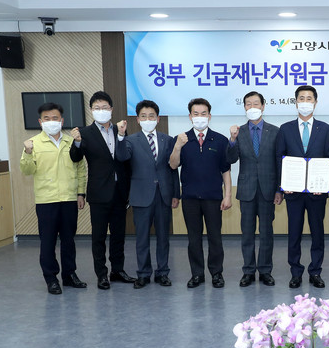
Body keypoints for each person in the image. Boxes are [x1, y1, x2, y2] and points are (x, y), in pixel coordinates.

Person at [70, 91, 135, 290]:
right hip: (98, 193)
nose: (101, 111)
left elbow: (125, 161)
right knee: (98, 237)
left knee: (118, 235)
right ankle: (101, 274)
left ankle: (117, 270)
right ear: (91, 110)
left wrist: (128, 189)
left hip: (119, 192)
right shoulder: (84, 132)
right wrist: (77, 141)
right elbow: (75, 157)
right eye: (97, 108)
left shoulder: (119, 129)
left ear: (111, 109)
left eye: (105, 107)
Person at [20, 103, 87, 294]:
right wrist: (28, 153)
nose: (51, 121)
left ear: (62, 121)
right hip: (46, 201)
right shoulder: (32, 143)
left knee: (69, 241)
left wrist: (80, 193)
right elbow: (27, 170)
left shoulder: (71, 142)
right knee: (48, 242)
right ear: (40, 122)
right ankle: (51, 278)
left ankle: (69, 275)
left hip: (69, 199)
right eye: (47, 119)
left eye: (55, 118)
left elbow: (81, 169)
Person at [116, 100, 180, 289]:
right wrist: (120, 136)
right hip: (141, 195)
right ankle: (143, 273)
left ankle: (163, 273)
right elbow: (122, 157)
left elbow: (173, 169)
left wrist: (176, 194)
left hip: (164, 195)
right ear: (137, 119)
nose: (148, 119)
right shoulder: (130, 140)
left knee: (163, 237)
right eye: (143, 116)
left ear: (158, 119)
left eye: (151, 116)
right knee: (142, 238)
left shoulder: (167, 140)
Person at [169, 98, 232, 289]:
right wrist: (177, 146)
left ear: (209, 116)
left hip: (213, 198)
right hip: (190, 198)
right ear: (190, 116)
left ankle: (217, 273)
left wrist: (228, 195)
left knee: (215, 237)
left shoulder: (220, 140)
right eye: (196, 114)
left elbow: (226, 170)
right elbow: (173, 165)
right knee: (193, 238)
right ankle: (197, 274)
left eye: (203, 113)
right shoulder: (181, 139)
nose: (200, 117)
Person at [276, 86, 329, 289]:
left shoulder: (325, 128)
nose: (305, 102)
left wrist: (323, 184)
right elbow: (280, 158)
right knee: (294, 233)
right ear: (296, 102)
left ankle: (315, 271)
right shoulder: (286, 128)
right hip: (293, 192)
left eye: (309, 98)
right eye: (302, 98)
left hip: (317, 192)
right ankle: (296, 272)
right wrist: (283, 185)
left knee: (317, 233)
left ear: (315, 103)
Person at [228, 91, 282, 287]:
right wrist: (232, 140)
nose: (252, 107)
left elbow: (279, 162)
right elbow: (231, 159)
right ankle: (248, 271)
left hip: (268, 189)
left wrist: (279, 189)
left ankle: (265, 271)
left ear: (263, 106)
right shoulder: (239, 131)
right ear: (244, 107)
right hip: (247, 189)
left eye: (256, 103)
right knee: (247, 233)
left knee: (267, 232)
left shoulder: (275, 131)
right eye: (248, 104)